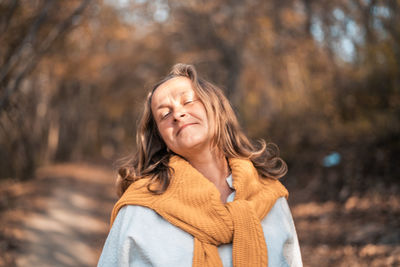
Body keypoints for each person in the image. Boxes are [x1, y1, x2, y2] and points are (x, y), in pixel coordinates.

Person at [97, 63, 302, 267]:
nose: (177, 114)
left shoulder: (270, 195)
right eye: (165, 114)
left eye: (188, 101)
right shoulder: (140, 209)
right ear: (160, 138)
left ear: (216, 108)